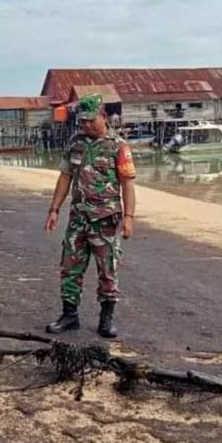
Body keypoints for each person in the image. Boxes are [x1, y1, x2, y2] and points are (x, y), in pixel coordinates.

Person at [44, 94, 136, 338]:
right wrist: (54, 209)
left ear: (103, 116)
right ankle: (69, 315)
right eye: (82, 121)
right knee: (70, 267)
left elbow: (127, 183)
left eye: (90, 120)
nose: (85, 125)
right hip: (78, 219)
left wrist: (129, 218)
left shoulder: (118, 146)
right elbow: (65, 176)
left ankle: (106, 319)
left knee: (108, 271)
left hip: (106, 221)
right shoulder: (76, 143)